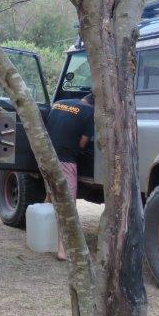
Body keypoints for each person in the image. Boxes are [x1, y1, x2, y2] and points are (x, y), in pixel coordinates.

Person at [45, 92, 94, 260]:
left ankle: (43, 237)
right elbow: (82, 143)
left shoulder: (59, 103)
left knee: (50, 196)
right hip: (65, 161)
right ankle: (62, 250)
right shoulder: (90, 112)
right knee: (67, 205)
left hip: (46, 157)